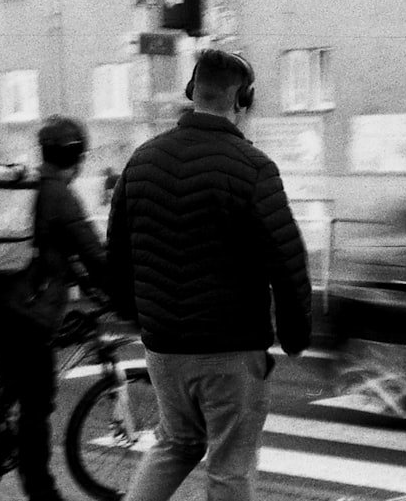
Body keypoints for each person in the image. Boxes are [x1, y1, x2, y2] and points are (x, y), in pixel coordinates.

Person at [106, 48, 312, 501]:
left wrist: (137, 317)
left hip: (164, 347)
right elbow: (288, 259)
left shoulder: (142, 160)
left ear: (190, 92)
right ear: (244, 100)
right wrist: (295, 334)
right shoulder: (254, 168)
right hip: (230, 350)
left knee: (175, 443)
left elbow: (116, 253)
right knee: (230, 464)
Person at [0, 115, 109, 501]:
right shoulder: (59, 194)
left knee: (11, 385)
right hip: (26, 312)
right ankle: (41, 492)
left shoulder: (30, 186)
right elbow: (94, 254)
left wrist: (83, 280)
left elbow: (56, 253)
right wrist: (124, 291)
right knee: (37, 400)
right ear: (76, 156)